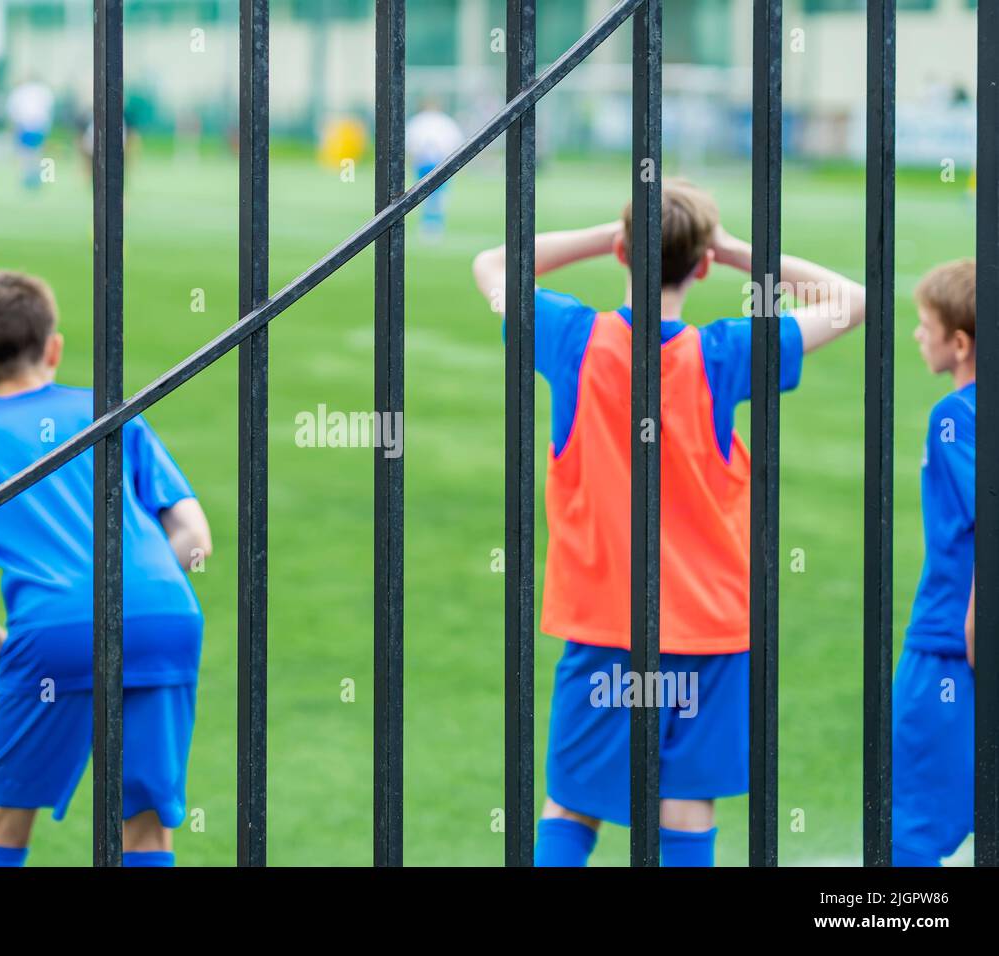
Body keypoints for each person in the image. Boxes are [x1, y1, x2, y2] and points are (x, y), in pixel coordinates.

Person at [471, 179, 866, 866]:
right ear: (704, 264)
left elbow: (493, 265)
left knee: (573, 802)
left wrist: (610, 232)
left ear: (624, 251)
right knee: (683, 806)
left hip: (605, 623)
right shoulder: (723, 354)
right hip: (708, 627)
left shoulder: (572, 336)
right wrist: (739, 250)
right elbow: (850, 301)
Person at [0, 271, 212, 867]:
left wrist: (19, 653)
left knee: (3, 819)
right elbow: (195, 536)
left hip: (55, 630)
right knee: (147, 822)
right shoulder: (110, 413)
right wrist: (141, 585)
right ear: (53, 347)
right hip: (165, 615)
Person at [892, 258, 977, 867]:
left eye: (926, 325)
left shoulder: (955, 417)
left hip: (950, 643)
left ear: (961, 342)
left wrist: (976, 621)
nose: (918, 335)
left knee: (909, 827)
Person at [405, 101, 463, 239]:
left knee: (425, 194)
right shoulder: (444, 121)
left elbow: (410, 142)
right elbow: (454, 141)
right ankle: (433, 224)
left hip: (426, 161)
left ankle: (429, 224)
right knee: (437, 195)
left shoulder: (419, 121)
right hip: (438, 162)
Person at [6, 80, 55, 189]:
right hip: (36, 125)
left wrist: (13, 127)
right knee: (36, 153)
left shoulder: (20, 91)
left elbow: (13, 111)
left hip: (26, 125)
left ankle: (28, 179)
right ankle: (34, 179)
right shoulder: (43, 91)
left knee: (26, 154)